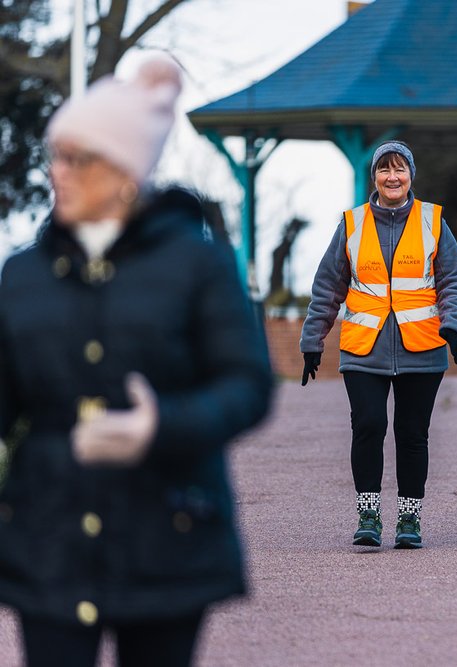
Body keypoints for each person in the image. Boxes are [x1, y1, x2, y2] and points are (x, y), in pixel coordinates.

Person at [0, 55, 274, 666]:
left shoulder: (199, 266)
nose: (57, 173)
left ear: (125, 172)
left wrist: (162, 426)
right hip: (49, 538)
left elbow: (248, 385)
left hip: (168, 537)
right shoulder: (20, 276)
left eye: (78, 158)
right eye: (56, 156)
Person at [300, 141, 457, 550]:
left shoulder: (433, 220)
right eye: (384, 170)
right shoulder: (352, 224)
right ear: (373, 176)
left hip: (422, 347)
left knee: (413, 434)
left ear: (412, 175)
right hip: (364, 348)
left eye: (400, 169)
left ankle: (409, 520)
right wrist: (312, 339)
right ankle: (368, 514)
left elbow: (453, 279)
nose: (392, 177)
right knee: (369, 426)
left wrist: (453, 324)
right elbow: (328, 286)